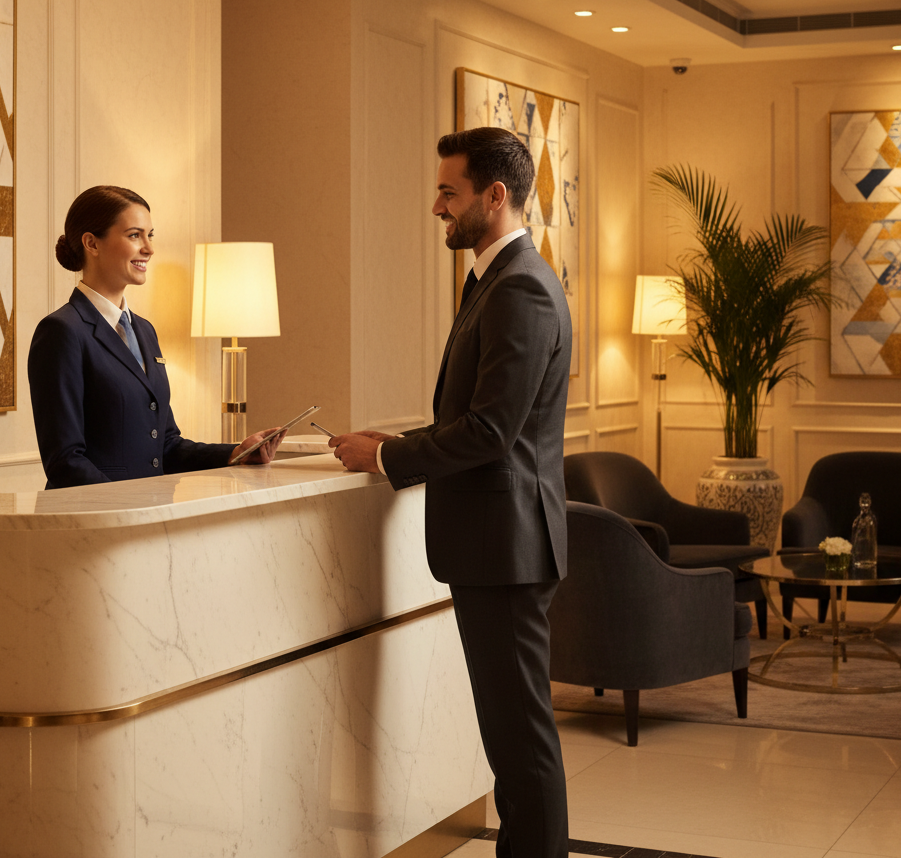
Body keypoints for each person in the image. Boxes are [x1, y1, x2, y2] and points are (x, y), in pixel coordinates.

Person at [331, 128, 572, 858]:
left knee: (520, 739)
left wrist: (390, 458)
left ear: (494, 197)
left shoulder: (521, 286)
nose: (438, 206)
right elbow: (477, 417)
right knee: (512, 735)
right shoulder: (494, 281)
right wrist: (395, 439)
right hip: (496, 545)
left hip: (506, 548)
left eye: (449, 191)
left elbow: (493, 432)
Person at [29, 185, 283, 489]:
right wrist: (128, 508)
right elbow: (65, 461)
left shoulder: (144, 330)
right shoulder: (62, 331)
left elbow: (167, 446)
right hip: (100, 523)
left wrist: (237, 452)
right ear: (91, 243)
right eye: (135, 235)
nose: (149, 248)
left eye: (150, 235)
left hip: (152, 518)